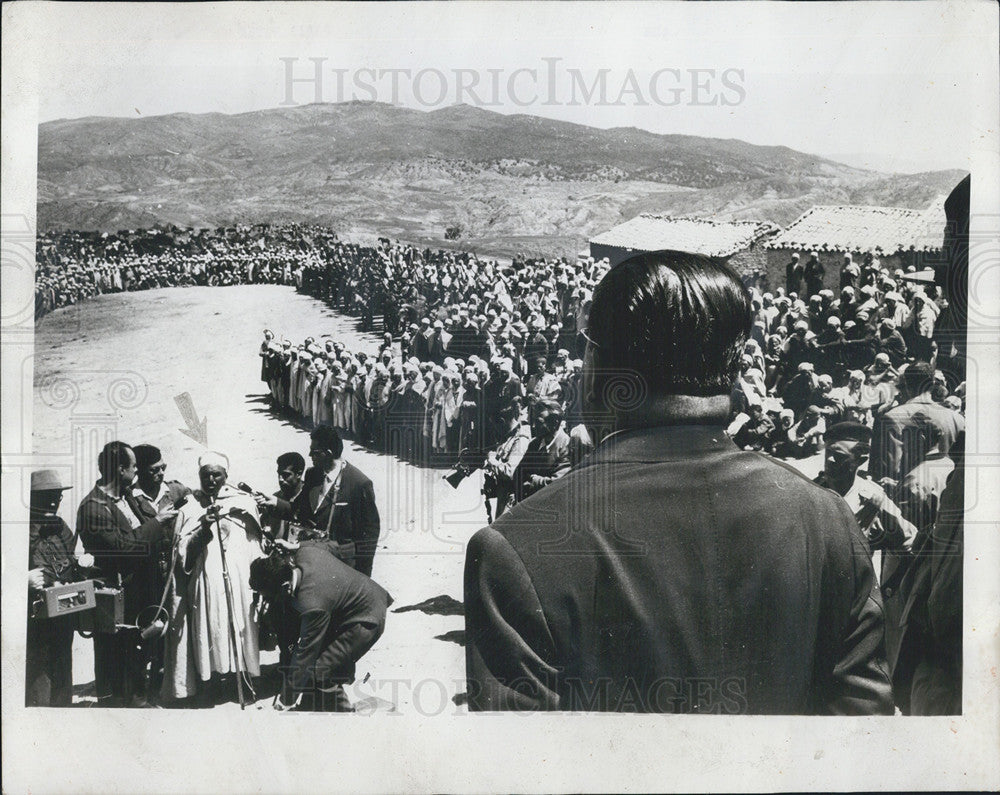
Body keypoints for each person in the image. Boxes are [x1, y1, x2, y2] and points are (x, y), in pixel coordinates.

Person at [464, 250, 893, 714]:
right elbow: (862, 732)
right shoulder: (827, 518)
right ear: (730, 373)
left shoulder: (516, 546)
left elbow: (519, 767)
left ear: (598, 370)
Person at [78, 441, 177, 707]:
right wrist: (158, 523)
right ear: (121, 469)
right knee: (114, 661)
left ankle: (138, 700)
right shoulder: (93, 508)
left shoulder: (125, 496)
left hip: (138, 596)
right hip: (116, 599)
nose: (136, 472)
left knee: (136, 655)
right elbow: (123, 549)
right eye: (133, 467)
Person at [163, 452, 265, 704]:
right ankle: (211, 685)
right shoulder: (189, 507)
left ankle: (244, 679)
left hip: (240, 581)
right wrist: (204, 528)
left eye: (216, 474)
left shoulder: (244, 502)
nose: (210, 479)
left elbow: (255, 543)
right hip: (205, 582)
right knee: (210, 631)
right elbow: (182, 551)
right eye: (205, 475)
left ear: (226, 476)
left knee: (241, 630)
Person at [249, 543, 392, 712]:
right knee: (318, 664)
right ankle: (320, 700)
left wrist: (286, 699)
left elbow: (305, 653)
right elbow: (329, 544)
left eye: (268, 596)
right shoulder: (306, 552)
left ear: (285, 587)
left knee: (321, 669)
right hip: (359, 600)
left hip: (367, 619)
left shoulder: (312, 604)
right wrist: (295, 546)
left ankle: (346, 709)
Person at [261, 425, 381, 578]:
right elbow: (299, 511)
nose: (310, 454)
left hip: (341, 566)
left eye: (315, 452)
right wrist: (276, 503)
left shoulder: (359, 483)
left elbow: (369, 535)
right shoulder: (313, 475)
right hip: (311, 559)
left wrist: (363, 576)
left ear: (328, 453)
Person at [26, 470, 91, 707]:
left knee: (62, 659)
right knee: (39, 668)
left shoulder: (59, 525)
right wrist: (23, 580)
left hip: (63, 606)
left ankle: (62, 712)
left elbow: (70, 557)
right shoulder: (17, 528)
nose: (54, 501)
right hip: (35, 614)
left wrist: (81, 564)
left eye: (57, 496)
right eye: (47, 496)